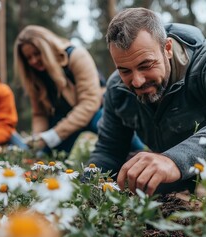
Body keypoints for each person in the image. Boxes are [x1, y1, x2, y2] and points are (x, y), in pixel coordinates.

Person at [87, 8, 206, 196]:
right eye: (125, 71)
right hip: (177, 178)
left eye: (146, 65)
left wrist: (175, 160)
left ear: (167, 49)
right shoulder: (116, 88)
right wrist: (81, 188)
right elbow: (109, 151)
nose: (137, 81)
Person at [13, 25, 145, 155]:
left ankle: (140, 152)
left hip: (95, 110)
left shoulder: (76, 56)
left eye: (37, 54)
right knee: (46, 157)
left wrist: (55, 134)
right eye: (28, 58)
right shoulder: (34, 76)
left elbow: (89, 103)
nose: (34, 61)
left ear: (47, 48)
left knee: (110, 127)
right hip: (64, 120)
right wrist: (40, 139)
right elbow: (39, 114)